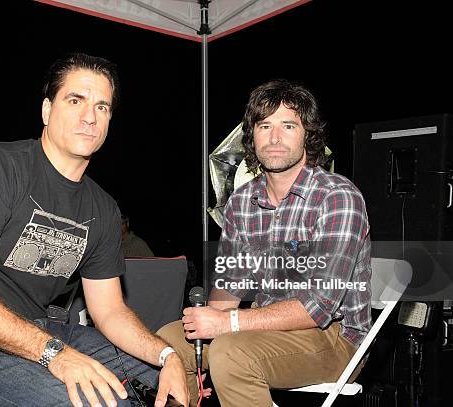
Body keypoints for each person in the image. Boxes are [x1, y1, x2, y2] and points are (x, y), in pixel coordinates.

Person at [0, 53, 189, 407]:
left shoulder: (102, 208)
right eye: (76, 100)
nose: (90, 116)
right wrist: (55, 354)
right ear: (46, 110)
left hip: (41, 331)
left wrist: (167, 356)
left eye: (102, 107)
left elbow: (110, 312)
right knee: (89, 402)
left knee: (166, 382)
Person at [157, 79, 372, 407]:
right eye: (264, 125)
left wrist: (228, 323)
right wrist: (208, 318)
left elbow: (319, 307)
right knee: (168, 342)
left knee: (232, 353)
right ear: (251, 136)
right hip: (263, 327)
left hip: (337, 339)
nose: (274, 138)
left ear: (307, 135)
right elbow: (231, 286)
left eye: (288, 125)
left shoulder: (337, 196)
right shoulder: (242, 201)